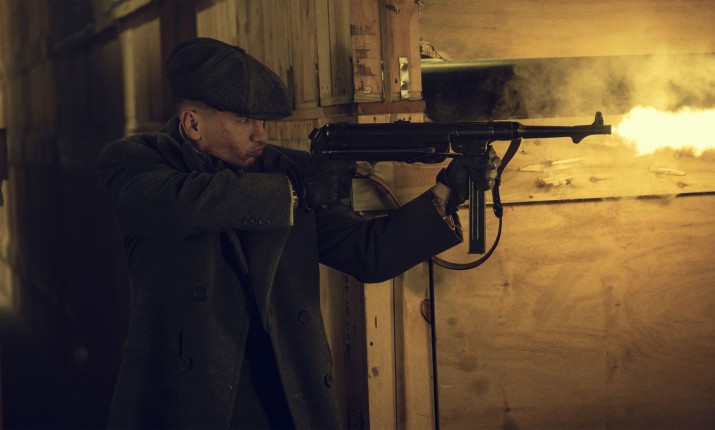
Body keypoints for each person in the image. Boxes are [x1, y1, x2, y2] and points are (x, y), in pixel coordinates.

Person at [98, 37, 499, 430]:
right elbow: (179, 203)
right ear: (192, 123)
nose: (261, 135)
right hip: (182, 396)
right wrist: (291, 193)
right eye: (244, 121)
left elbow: (367, 254)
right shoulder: (135, 161)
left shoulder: (286, 171)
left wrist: (447, 193)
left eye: (263, 121)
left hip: (281, 390)